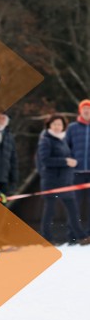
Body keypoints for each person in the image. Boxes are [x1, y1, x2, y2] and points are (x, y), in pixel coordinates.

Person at [37, 113, 88, 244]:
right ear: (49, 125)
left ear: (63, 126)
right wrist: (65, 161)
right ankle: (46, 238)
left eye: (59, 124)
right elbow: (45, 160)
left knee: (73, 210)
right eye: (54, 124)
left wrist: (70, 163)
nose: (57, 127)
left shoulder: (63, 140)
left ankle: (81, 237)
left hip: (66, 182)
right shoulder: (46, 140)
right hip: (51, 182)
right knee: (50, 211)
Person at [65, 99, 90, 231]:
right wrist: (68, 161)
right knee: (74, 204)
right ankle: (73, 234)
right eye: (84, 109)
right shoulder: (72, 127)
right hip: (76, 173)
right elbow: (65, 147)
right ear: (80, 111)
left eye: (89, 109)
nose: (87, 111)